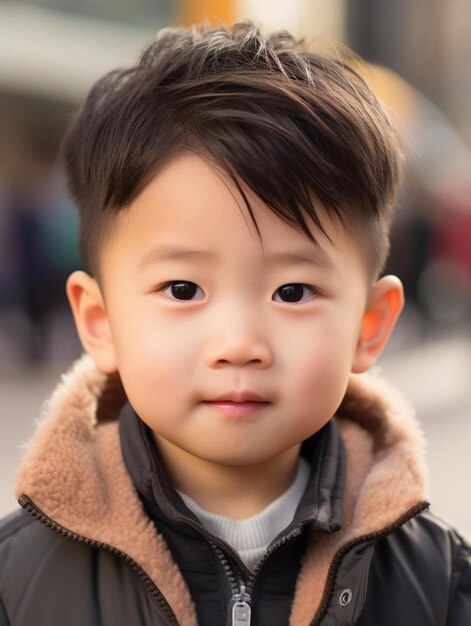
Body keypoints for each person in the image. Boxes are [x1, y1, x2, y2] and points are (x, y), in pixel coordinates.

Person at [0, 21, 469, 626]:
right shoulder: (20, 583)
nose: (240, 344)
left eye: (292, 291)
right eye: (183, 289)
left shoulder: (436, 582)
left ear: (369, 325)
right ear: (101, 321)